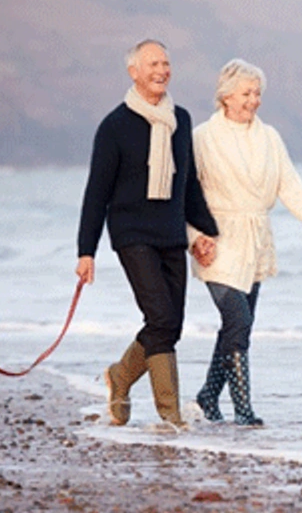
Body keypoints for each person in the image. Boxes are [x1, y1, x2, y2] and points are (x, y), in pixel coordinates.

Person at [76, 39, 218, 429]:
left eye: (167, 63)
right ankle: (170, 413)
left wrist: (209, 232)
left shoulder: (181, 120)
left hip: (171, 233)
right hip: (132, 234)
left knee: (169, 324)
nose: (162, 70)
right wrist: (86, 251)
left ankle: (120, 377)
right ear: (133, 72)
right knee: (159, 315)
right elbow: (96, 193)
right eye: (153, 63)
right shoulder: (115, 126)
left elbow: (187, 185)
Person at [188, 58, 302, 426]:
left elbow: (289, 183)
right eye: (247, 93)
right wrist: (194, 237)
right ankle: (243, 409)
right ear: (226, 96)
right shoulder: (203, 137)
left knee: (238, 325)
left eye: (258, 93)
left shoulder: (269, 137)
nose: (254, 100)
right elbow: (188, 193)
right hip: (217, 239)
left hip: (255, 239)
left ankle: (206, 399)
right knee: (237, 318)